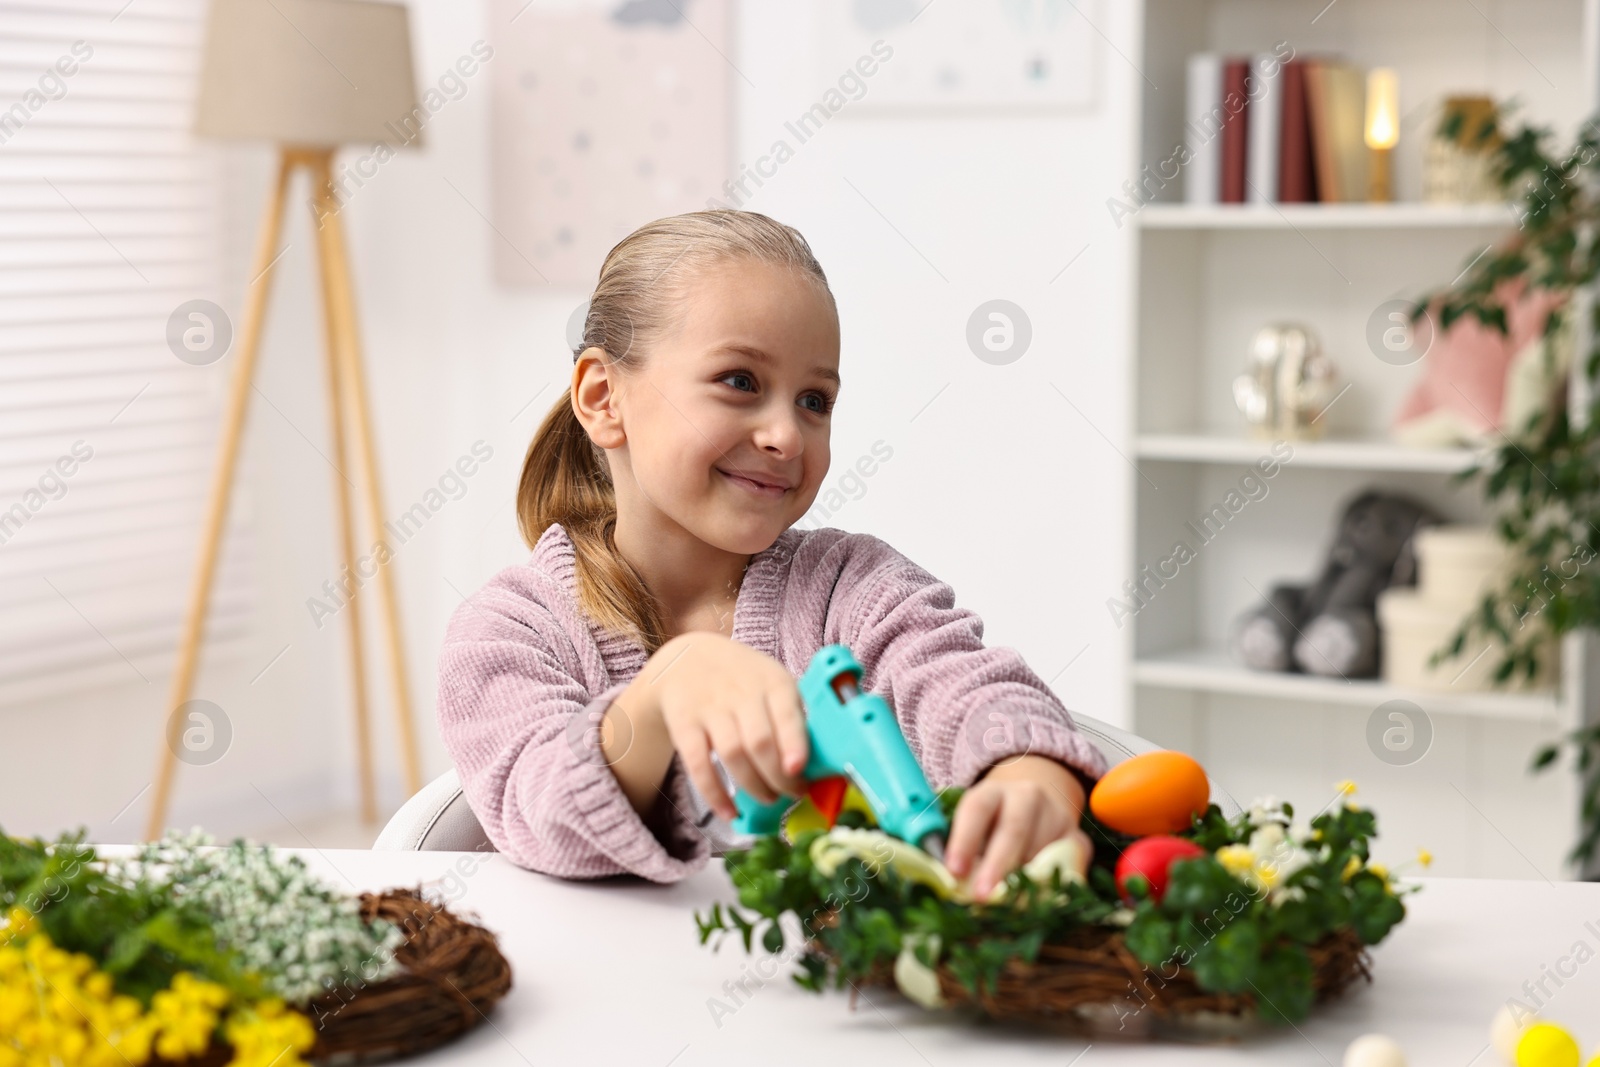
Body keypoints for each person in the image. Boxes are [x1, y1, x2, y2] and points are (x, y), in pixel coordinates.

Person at [436, 209, 1107, 901]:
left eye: (814, 399)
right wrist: (662, 694)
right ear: (603, 397)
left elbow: (958, 680)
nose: (787, 433)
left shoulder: (853, 584)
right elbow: (535, 810)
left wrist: (1027, 766)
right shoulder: (509, 629)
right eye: (741, 381)